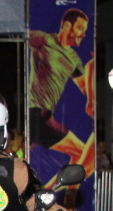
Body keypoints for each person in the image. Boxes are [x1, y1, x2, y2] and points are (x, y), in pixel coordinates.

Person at [28, 8, 95, 182]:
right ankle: (55, 192)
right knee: (84, 155)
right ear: (66, 26)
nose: (84, 34)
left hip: (45, 117)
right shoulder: (45, 40)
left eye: (85, 30)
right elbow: (20, 38)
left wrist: (92, 68)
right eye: (80, 28)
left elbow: (86, 89)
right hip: (35, 113)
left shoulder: (74, 58)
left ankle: (56, 193)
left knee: (82, 156)